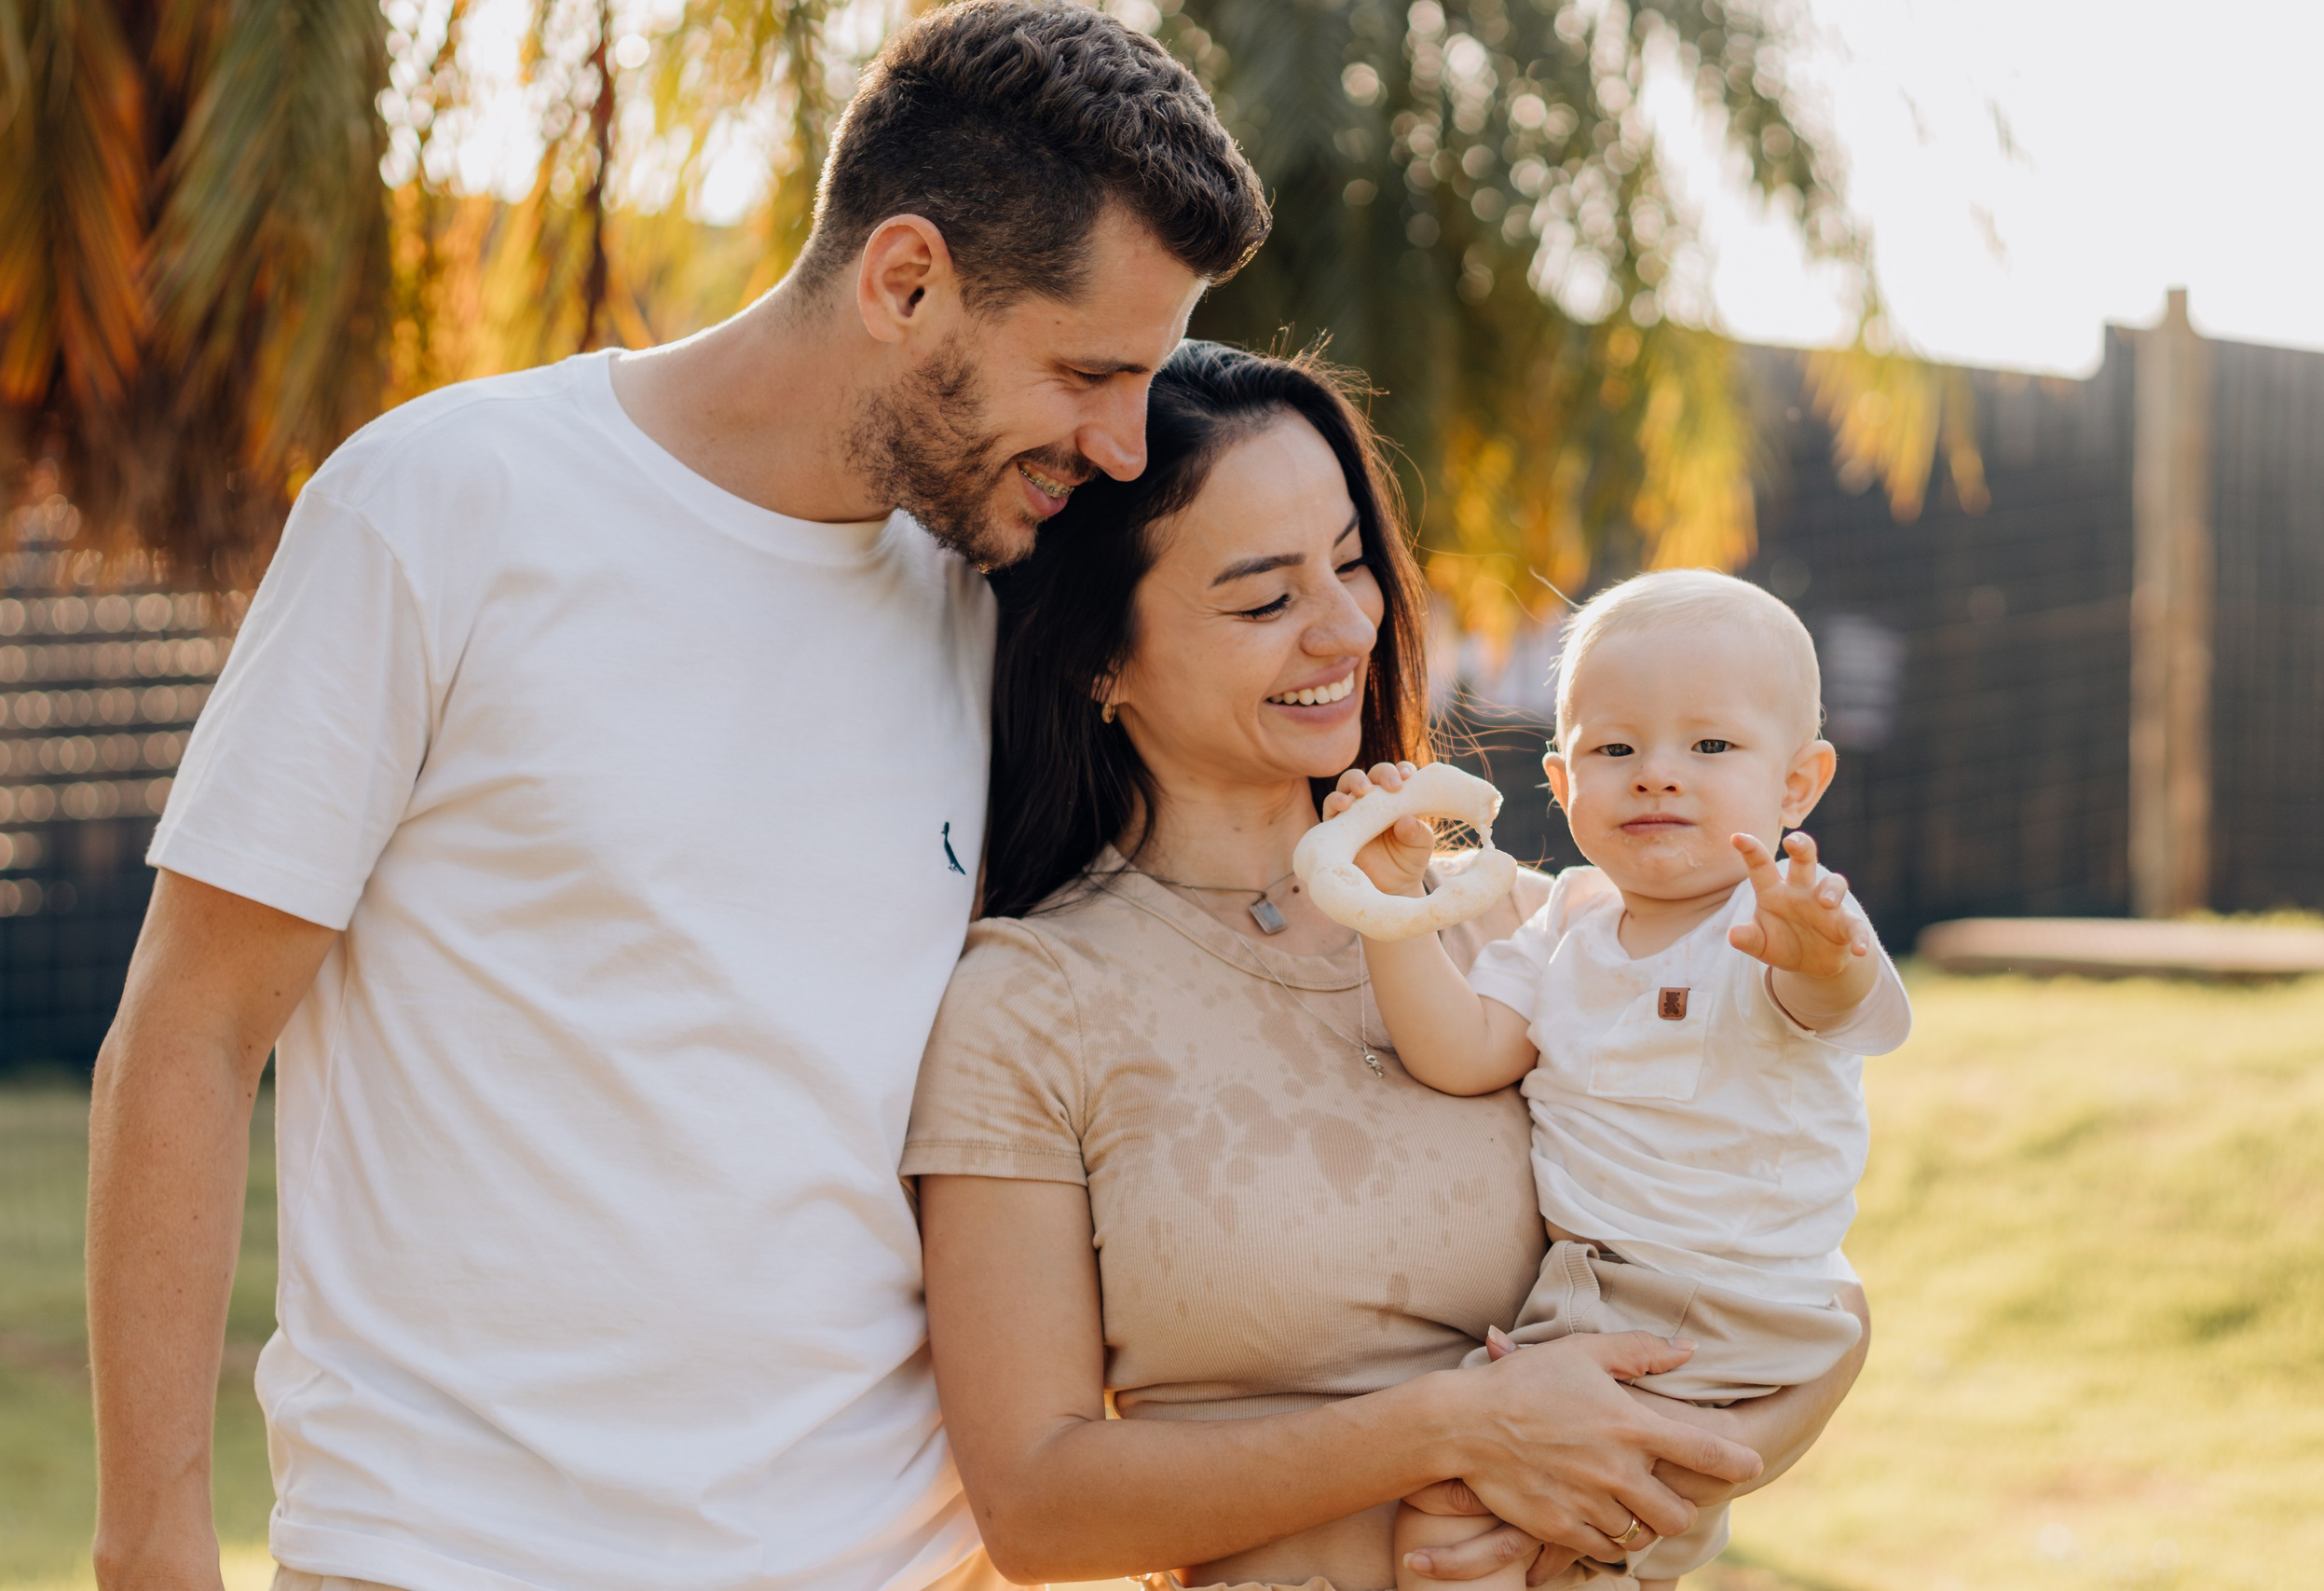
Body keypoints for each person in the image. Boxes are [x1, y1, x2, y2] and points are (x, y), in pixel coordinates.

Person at [81, 7, 1268, 1590]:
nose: (1122, 444)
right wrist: (152, 1549)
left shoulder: (998, 603)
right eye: (1087, 372)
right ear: (905, 281)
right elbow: (190, 1027)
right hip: (456, 1558)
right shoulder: (443, 505)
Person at [904, 344, 1869, 1591]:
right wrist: (1457, 1429)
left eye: (1352, 562)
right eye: (1265, 600)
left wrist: (1635, 1486)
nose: (1349, 626)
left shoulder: (1534, 929)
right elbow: (1037, 1509)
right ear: (1101, 654)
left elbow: (1799, 1289)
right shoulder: (1033, 1003)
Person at [1321, 569, 1912, 1591]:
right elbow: (1463, 1051)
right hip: (1604, 1300)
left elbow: (1829, 1001)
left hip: (1705, 1303)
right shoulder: (1563, 926)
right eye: (1615, 750)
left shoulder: (1779, 920)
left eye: (1710, 746)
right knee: (1548, 1544)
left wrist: (1822, 957)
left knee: (1453, 1521)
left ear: (1797, 786)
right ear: (1561, 783)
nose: (1656, 777)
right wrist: (1390, 904)